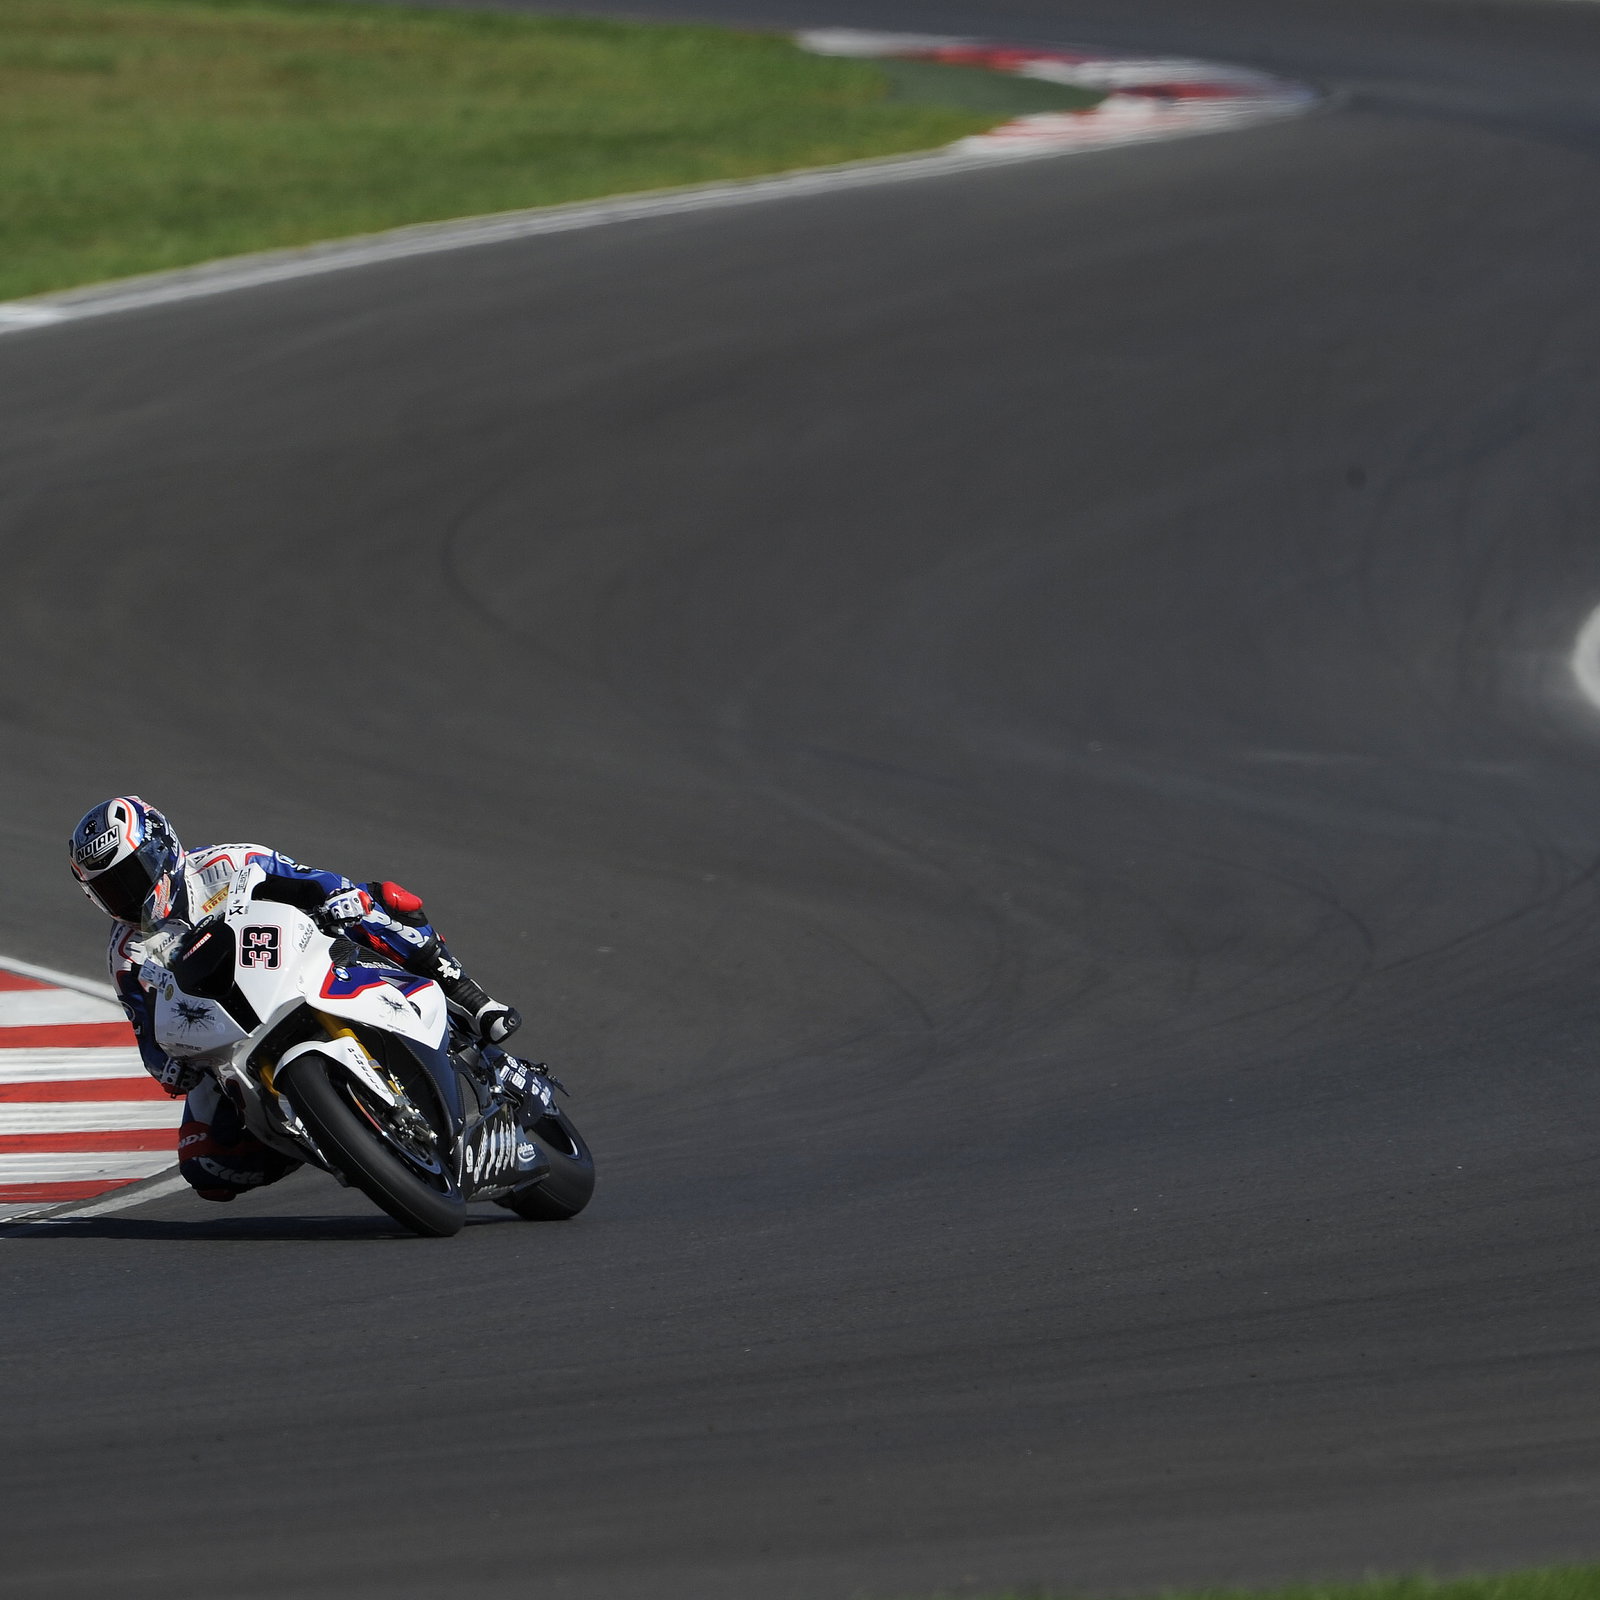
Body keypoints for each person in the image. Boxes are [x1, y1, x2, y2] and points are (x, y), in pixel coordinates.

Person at [68, 795, 521, 1203]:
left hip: (307, 963)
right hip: (230, 1034)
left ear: (161, 849)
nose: (126, 895)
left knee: (383, 900)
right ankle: (332, 1138)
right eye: (109, 888)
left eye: (131, 875)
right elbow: (147, 1033)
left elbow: (312, 880)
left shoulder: (228, 862)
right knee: (205, 1166)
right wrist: (169, 1067)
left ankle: (469, 996)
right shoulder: (125, 953)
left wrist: (341, 896)